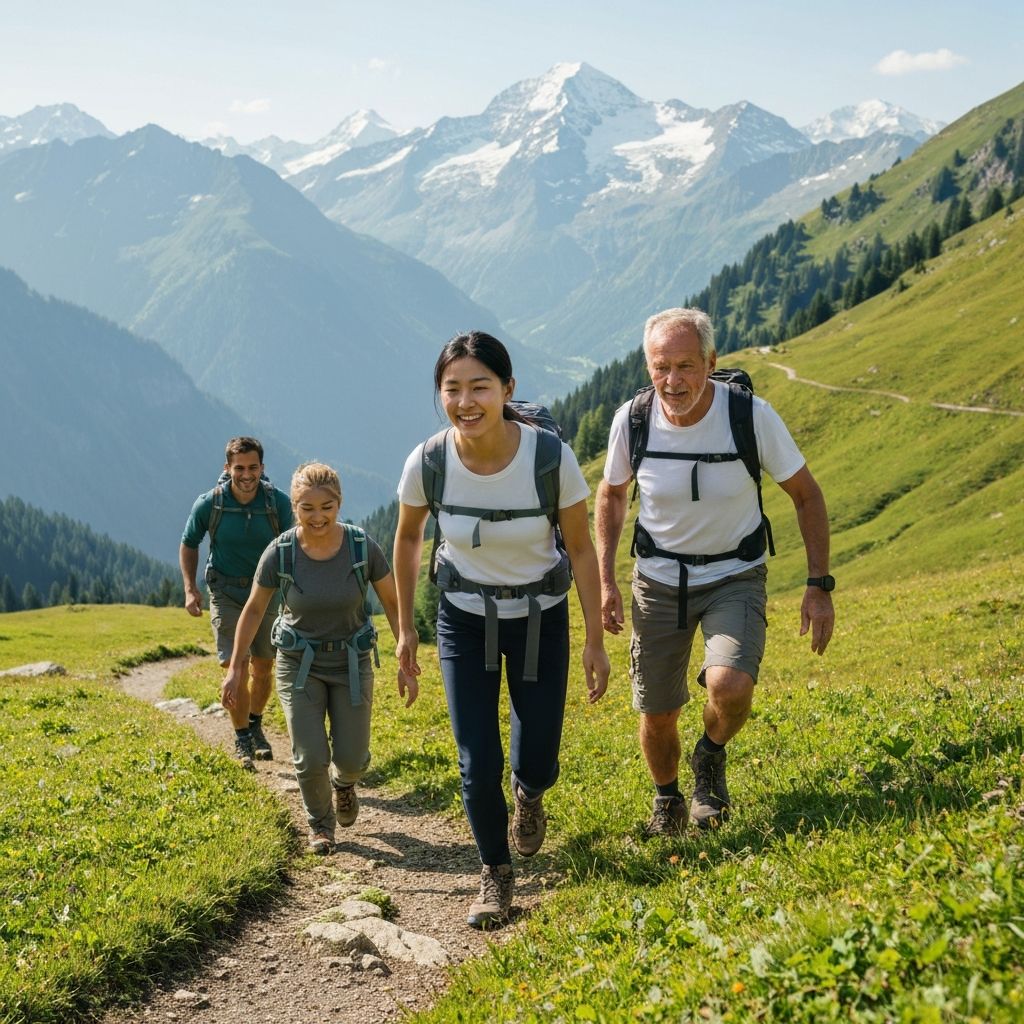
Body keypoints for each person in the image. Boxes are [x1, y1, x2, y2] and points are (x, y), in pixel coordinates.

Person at [393, 331, 610, 929]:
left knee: (538, 755)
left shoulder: (548, 457)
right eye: (452, 389)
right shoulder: (429, 462)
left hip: (541, 616)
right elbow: (408, 538)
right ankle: (494, 871)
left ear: (508, 389)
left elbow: (582, 549)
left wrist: (595, 640)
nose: (466, 402)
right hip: (463, 619)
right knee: (475, 758)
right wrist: (406, 629)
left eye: (480, 387)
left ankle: (530, 792)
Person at [596, 308, 834, 837]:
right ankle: (667, 799)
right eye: (660, 367)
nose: (672, 381)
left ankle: (710, 754)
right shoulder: (633, 420)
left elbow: (806, 495)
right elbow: (611, 495)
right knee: (657, 712)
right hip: (658, 581)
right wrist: (607, 581)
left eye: (686, 366)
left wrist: (818, 586)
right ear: (648, 366)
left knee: (730, 686)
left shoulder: (750, 416)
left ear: (711, 361)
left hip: (735, 576)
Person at [222, 462, 417, 854]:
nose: (317, 516)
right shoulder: (281, 552)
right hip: (299, 664)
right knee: (309, 757)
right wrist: (236, 667)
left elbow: (393, 602)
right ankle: (320, 827)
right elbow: (254, 609)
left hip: (351, 662)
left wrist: (405, 659)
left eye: (326, 507)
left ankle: (344, 784)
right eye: (306, 508)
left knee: (353, 758)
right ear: (294, 506)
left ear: (339, 504)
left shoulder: (361, 548)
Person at [180, 437, 293, 770]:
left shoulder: (278, 503)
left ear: (262, 467)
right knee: (236, 666)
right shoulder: (210, 504)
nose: (246, 475)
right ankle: (242, 736)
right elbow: (189, 543)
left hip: (266, 592)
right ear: (227, 468)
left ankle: (255, 723)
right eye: (239, 468)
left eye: (252, 467)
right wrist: (190, 588)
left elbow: (294, 546)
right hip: (226, 591)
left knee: (263, 667)